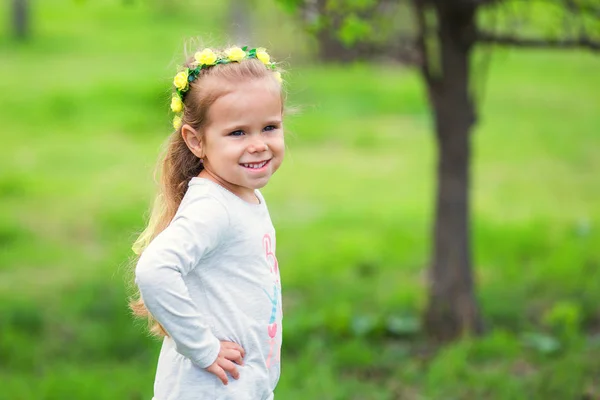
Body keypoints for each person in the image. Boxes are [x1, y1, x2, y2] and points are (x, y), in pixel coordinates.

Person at [130, 45, 285, 400]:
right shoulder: (213, 207)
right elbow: (155, 270)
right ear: (196, 141)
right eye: (238, 133)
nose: (259, 144)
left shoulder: (241, 194)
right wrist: (204, 348)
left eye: (269, 127)